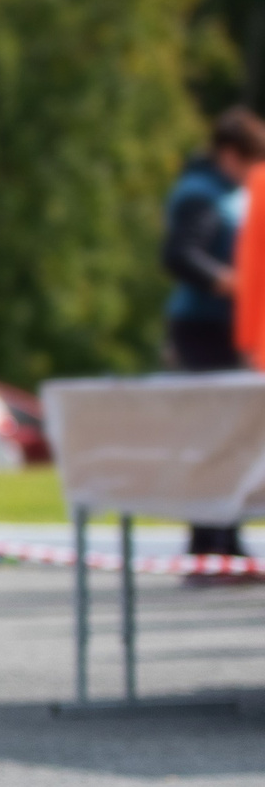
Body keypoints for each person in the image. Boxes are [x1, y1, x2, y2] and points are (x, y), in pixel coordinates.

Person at [162, 106, 263, 563]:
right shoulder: (202, 193)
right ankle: (206, 543)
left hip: (228, 330)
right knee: (213, 437)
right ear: (230, 154)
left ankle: (228, 538)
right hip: (204, 329)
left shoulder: (228, 193)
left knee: (235, 438)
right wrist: (237, 283)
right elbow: (180, 256)